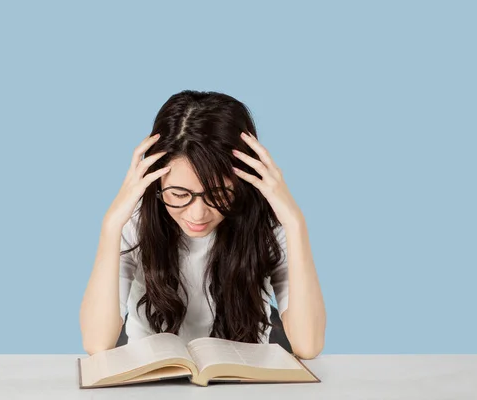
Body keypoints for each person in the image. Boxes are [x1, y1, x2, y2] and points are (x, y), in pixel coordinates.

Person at [80, 90, 326, 359]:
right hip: (153, 378)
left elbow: (308, 344)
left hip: (245, 379)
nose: (197, 214)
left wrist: (295, 223)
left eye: (219, 195)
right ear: (155, 181)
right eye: (179, 194)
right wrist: (111, 224)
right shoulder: (136, 222)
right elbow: (97, 343)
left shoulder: (267, 224)